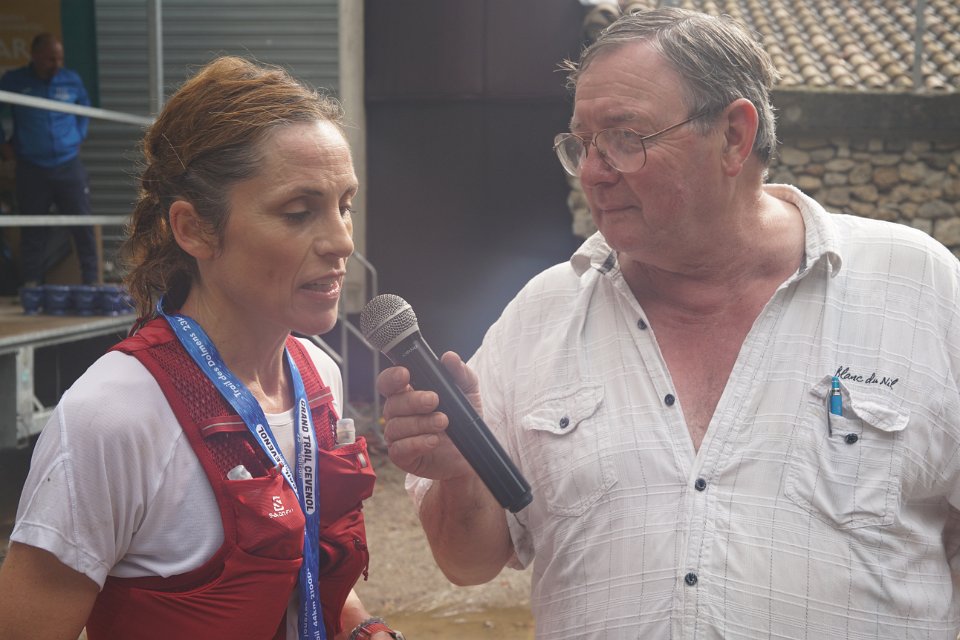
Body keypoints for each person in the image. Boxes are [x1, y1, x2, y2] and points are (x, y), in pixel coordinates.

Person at [377, 7, 960, 639]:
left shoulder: (917, 285)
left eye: (625, 138)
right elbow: (468, 562)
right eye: (582, 144)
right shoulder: (540, 315)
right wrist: (460, 471)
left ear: (733, 136)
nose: (595, 171)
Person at [0, 56, 403, 640]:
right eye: (299, 212)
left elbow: (301, 574)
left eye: (345, 205)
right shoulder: (112, 417)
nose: (342, 241)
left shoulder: (320, 374)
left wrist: (366, 629)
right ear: (192, 229)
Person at [0, 32, 99, 286]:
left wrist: (79, 135)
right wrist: (3, 144)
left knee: (83, 224)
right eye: (49, 59)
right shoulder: (14, 80)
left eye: (59, 59)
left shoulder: (71, 80)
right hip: (31, 167)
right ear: (34, 56)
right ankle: (32, 286)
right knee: (33, 228)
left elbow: (84, 108)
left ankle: (91, 283)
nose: (56, 64)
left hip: (68, 164)